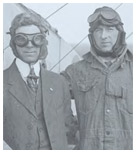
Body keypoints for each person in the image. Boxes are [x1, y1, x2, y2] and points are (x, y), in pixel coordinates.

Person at [62, 6, 133, 150]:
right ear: (91, 36)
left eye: (110, 29)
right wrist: (72, 130)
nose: (103, 36)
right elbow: (49, 98)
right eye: (98, 30)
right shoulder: (74, 71)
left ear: (120, 34)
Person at [3, 12, 74, 150]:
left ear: (43, 42)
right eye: (21, 39)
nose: (30, 45)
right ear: (13, 43)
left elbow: (67, 125)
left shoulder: (59, 83)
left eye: (37, 39)